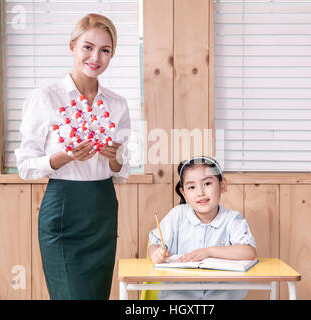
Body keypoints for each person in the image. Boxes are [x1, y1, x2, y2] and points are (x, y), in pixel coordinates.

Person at [15, 13, 131, 299]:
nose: (96, 57)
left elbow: (121, 170)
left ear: (112, 55)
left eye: (105, 50)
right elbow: (25, 166)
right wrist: (64, 156)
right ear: (72, 47)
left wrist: (114, 156)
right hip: (63, 209)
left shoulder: (117, 104)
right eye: (88, 47)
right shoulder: (45, 98)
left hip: (102, 209)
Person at [148, 156, 257, 300]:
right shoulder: (177, 215)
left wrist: (208, 252)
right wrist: (156, 252)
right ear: (183, 193)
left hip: (221, 294)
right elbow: (154, 245)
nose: (200, 192)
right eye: (191, 187)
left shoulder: (232, 219)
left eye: (207, 183)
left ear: (222, 185)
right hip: (178, 295)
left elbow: (248, 252)